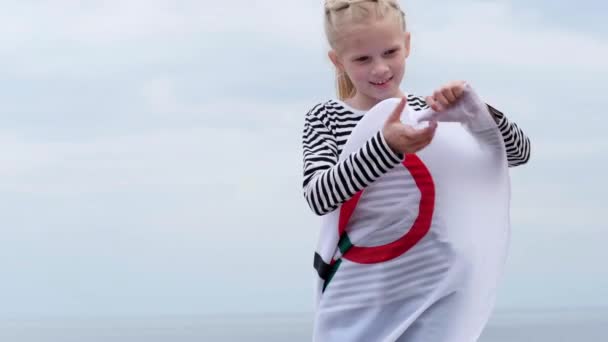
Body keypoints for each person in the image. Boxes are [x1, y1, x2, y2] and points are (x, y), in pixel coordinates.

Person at [302, 0, 531, 341]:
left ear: (407, 45)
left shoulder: (429, 111)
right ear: (338, 61)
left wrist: (478, 113)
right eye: (363, 59)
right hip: (366, 290)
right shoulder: (326, 118)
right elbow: (319, 196)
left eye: (390, 52)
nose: (380, 68)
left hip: (435, 284)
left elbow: (518, 153)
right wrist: (386, 147)